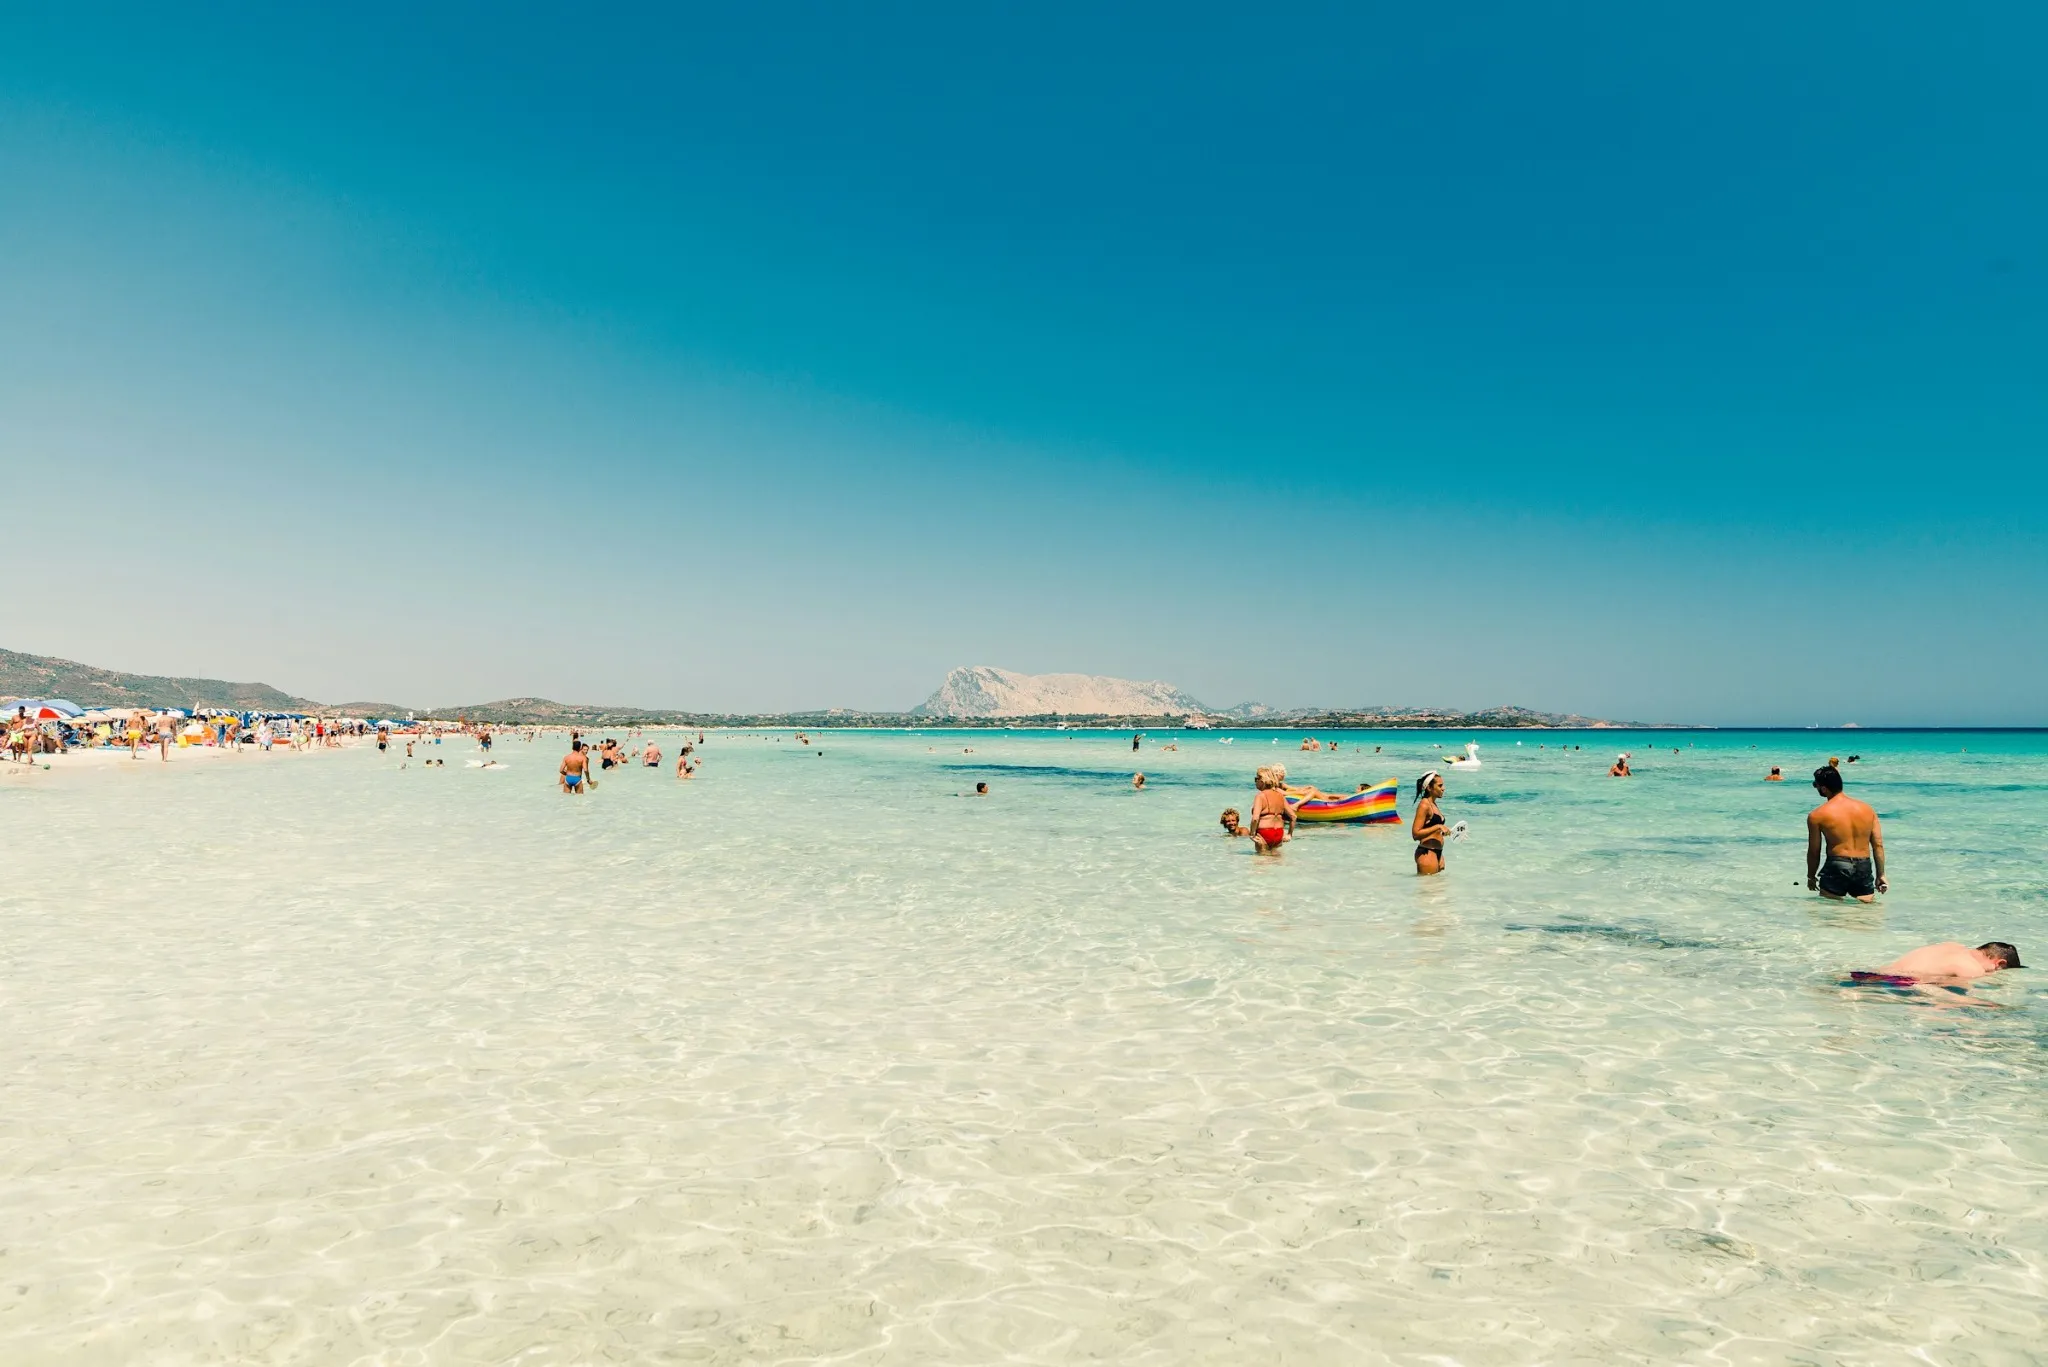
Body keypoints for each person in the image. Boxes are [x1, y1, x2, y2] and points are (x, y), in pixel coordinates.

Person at [1806, 765, 1885, 900]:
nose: (1816, 788)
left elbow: (1814, 851)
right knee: (1866, 914)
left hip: (1837, 865)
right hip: (1863, 866)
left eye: (1816, 785)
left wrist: (1811, 876)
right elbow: (1878, 845)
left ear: (1824, 788)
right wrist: (1881, 875)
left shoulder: (1817, 815)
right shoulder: (1867, 809)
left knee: (1832, 912)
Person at [1856, 941, 2022, 986]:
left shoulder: (1953, 945)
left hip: (1871, 973)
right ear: (1999, 963)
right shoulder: (1972, 969)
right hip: (1894, 983)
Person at [1412, 771, 1449, 874]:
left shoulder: (1433, 804)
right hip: (1427, 853)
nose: (1443, 788)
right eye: (1440, 785)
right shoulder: (1424, 805)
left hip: (1436, 853)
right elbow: (1415, 834)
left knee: (1438, 889)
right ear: (1429, 788)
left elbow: (1433, 831)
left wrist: (1440, 854)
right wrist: (1438, 826)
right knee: (1429, 889)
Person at [1249, 768, 1293, 852]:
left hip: (1264, 832)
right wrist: (1289, 834)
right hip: (1279, 832)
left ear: (1262, 780)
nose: (1255, 782)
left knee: (1261, 862)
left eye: (1256, 779)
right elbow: (1293, 816)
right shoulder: (1280, 795)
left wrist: (1252, 834)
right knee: (1276, 861)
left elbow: (1255, 818)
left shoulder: (1260, 796)